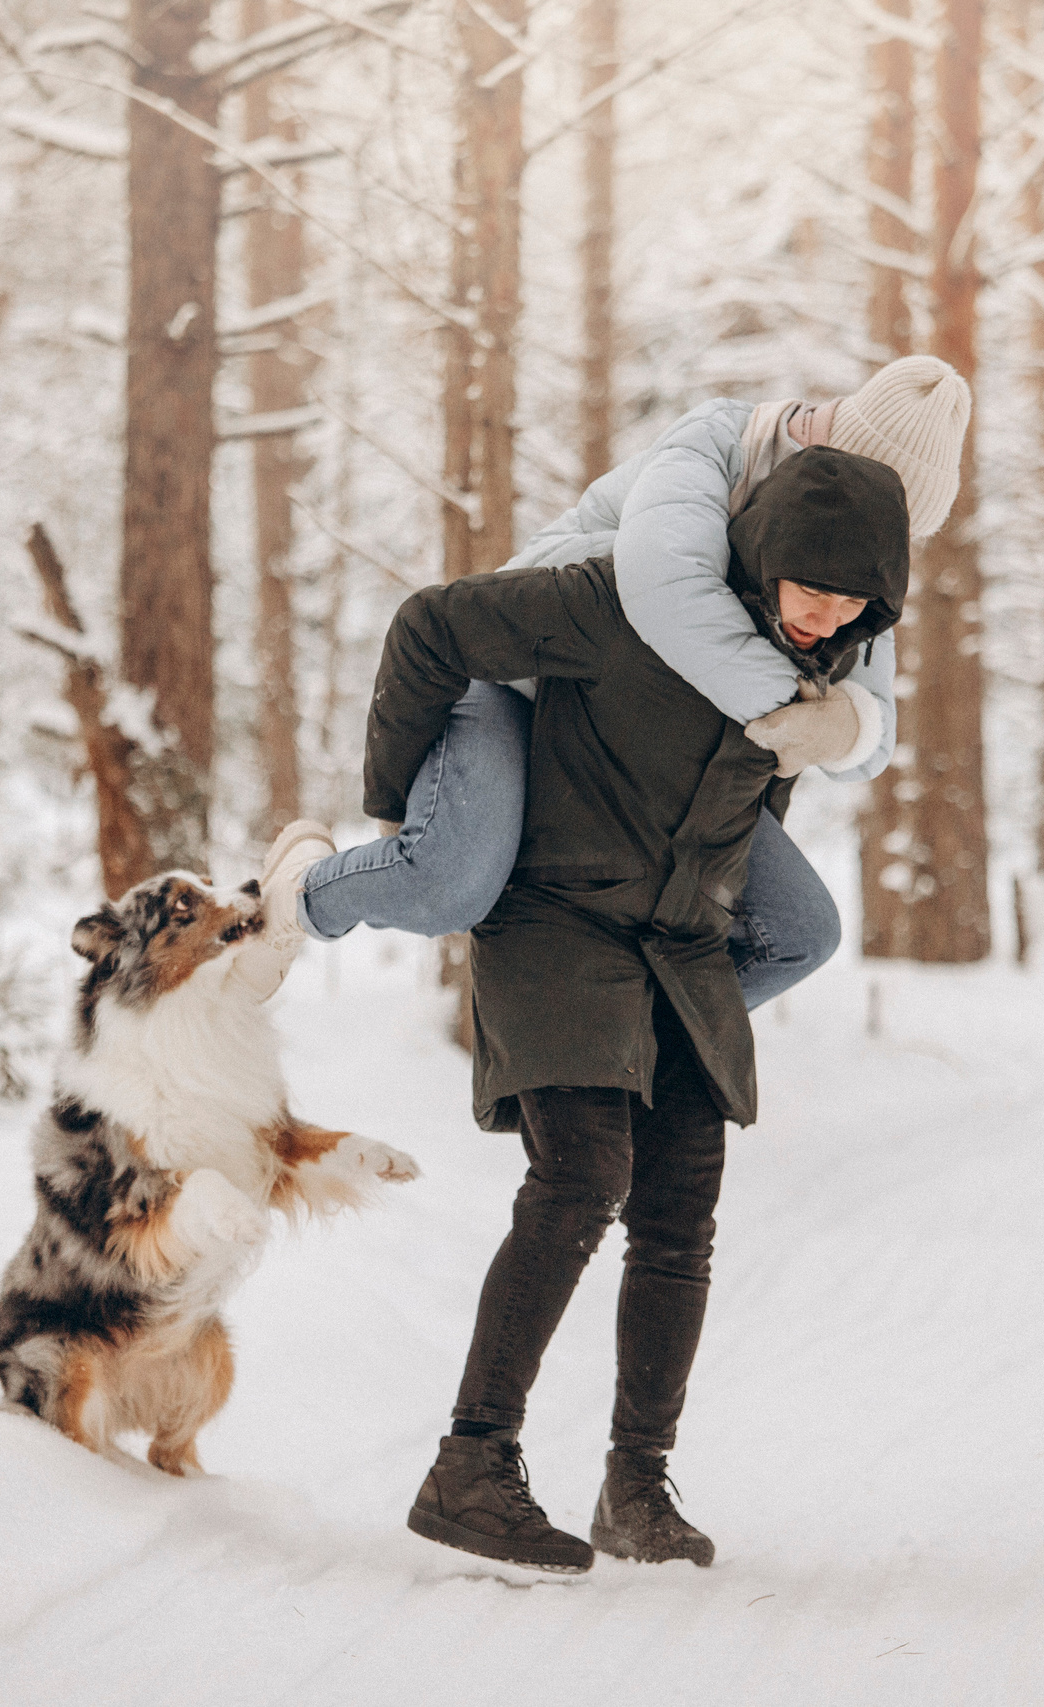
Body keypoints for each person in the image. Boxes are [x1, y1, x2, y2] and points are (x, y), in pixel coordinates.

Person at [356, 447, 911, 1572]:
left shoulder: (822, 672)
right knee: (581, 1174)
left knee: (678, 1211)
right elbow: (430, 625)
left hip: (680, 943)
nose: (828, 610)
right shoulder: (619, 600)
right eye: (811, 583)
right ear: (759, 553)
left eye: (855, 597)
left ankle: (635, 1487)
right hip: (555, 917)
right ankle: (470, 1462)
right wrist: (405, 809)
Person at [255, 356, 970, 1009]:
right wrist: (798, 709)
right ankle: (295, 897)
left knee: (801, 931)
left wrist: (843, 726)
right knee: (448, 883)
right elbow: (662, 590)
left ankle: (651, 1050)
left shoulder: (841, 583)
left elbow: (872, 737)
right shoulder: (721, 443)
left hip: (651, 754)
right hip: (527, 682)